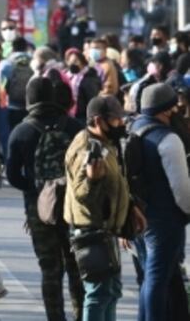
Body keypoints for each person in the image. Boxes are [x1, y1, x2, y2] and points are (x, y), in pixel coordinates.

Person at [6, 77, 84, 321]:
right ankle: (82, 314)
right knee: (76, 266)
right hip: (74, 206)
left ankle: (55, 317)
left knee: (50, 269)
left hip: (40, 208)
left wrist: (35, 191)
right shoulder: (73, 127)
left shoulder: (21, 131)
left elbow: (12, 175)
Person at [64, 96, 142, 321]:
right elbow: (81, 194)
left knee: (110, 292)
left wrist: (130, 206)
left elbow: (117, 182)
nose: (121, 124)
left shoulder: (105, 143)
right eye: (116, 119)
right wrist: (92, 180)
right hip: (91, 231)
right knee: (98, 293)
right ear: (99, 121)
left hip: (106, 231)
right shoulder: (87, 147)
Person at [131, 83, 190, 320]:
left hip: (138, 216)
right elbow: (182, 190)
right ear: (166, 110)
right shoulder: (168, 139)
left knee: (153, 277)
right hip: (164, 220)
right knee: (156, 279)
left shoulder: (134, 128)